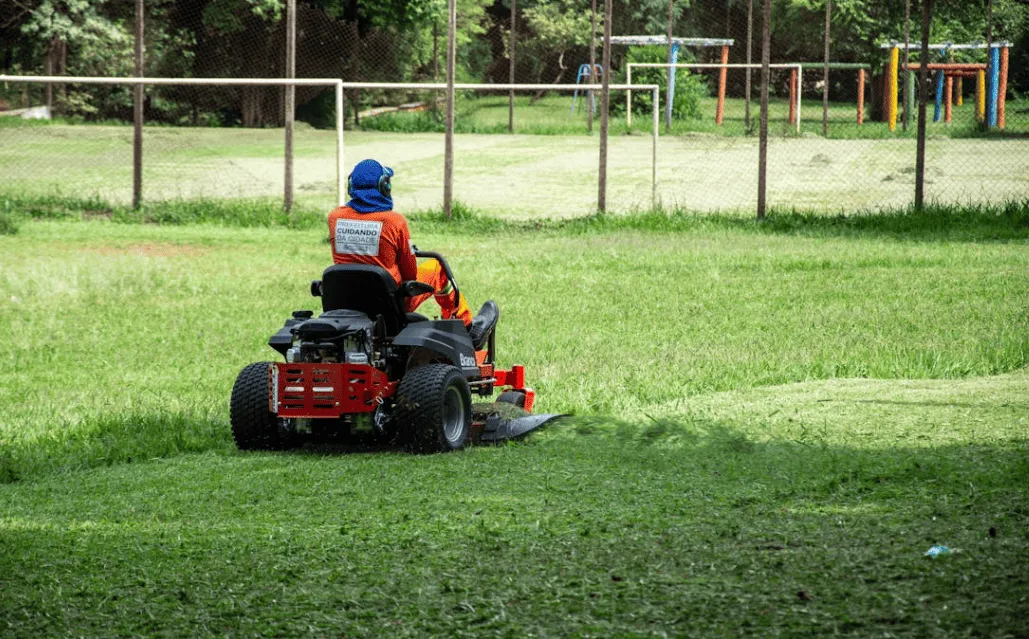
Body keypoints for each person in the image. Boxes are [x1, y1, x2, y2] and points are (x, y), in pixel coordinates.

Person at [327, 159, 496, 348]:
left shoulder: (335, 217)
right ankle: (465, 327)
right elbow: (410, 274)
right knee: (436, 268)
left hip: (346, 302)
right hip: (389, 305)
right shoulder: (394, 222)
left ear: (351, 187)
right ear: (384, 187)